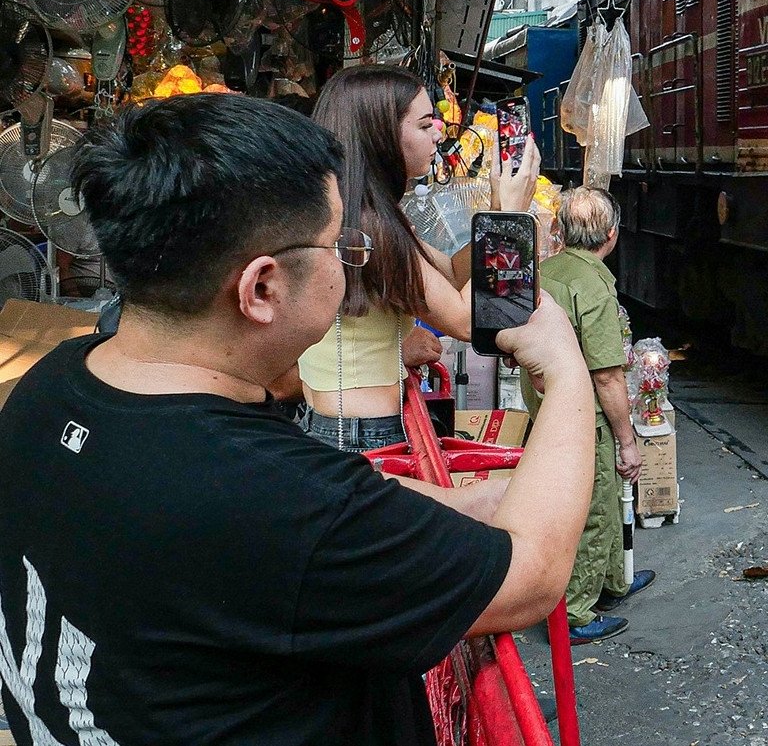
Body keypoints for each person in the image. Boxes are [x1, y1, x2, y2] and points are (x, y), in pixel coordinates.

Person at [0, 94, 596, 743]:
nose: (441, 135)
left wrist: (454, 502)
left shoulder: (51, 383)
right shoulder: (274, 500)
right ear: (261, 288)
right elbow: (528, 574)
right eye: (339, 246)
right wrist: (567, 371)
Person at [300, 65, 539, 450]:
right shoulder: (368, 227)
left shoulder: (354, 213)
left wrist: (499, 210)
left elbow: (448, 272)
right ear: (381, 136)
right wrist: (507, 223)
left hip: (338, 426)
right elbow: (466, 320)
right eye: (425, 125)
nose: (439, 133)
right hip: (364, 435)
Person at [522, 187, 654, 645]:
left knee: (606, 495)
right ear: (612, 235)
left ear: (561, 230)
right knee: (595, 509)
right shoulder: (593, 285)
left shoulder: (546, 272)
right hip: (585, 416)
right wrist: (627, 441)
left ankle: (615, 581)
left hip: (548, 407)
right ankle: (577, 612)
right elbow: (608, 378)